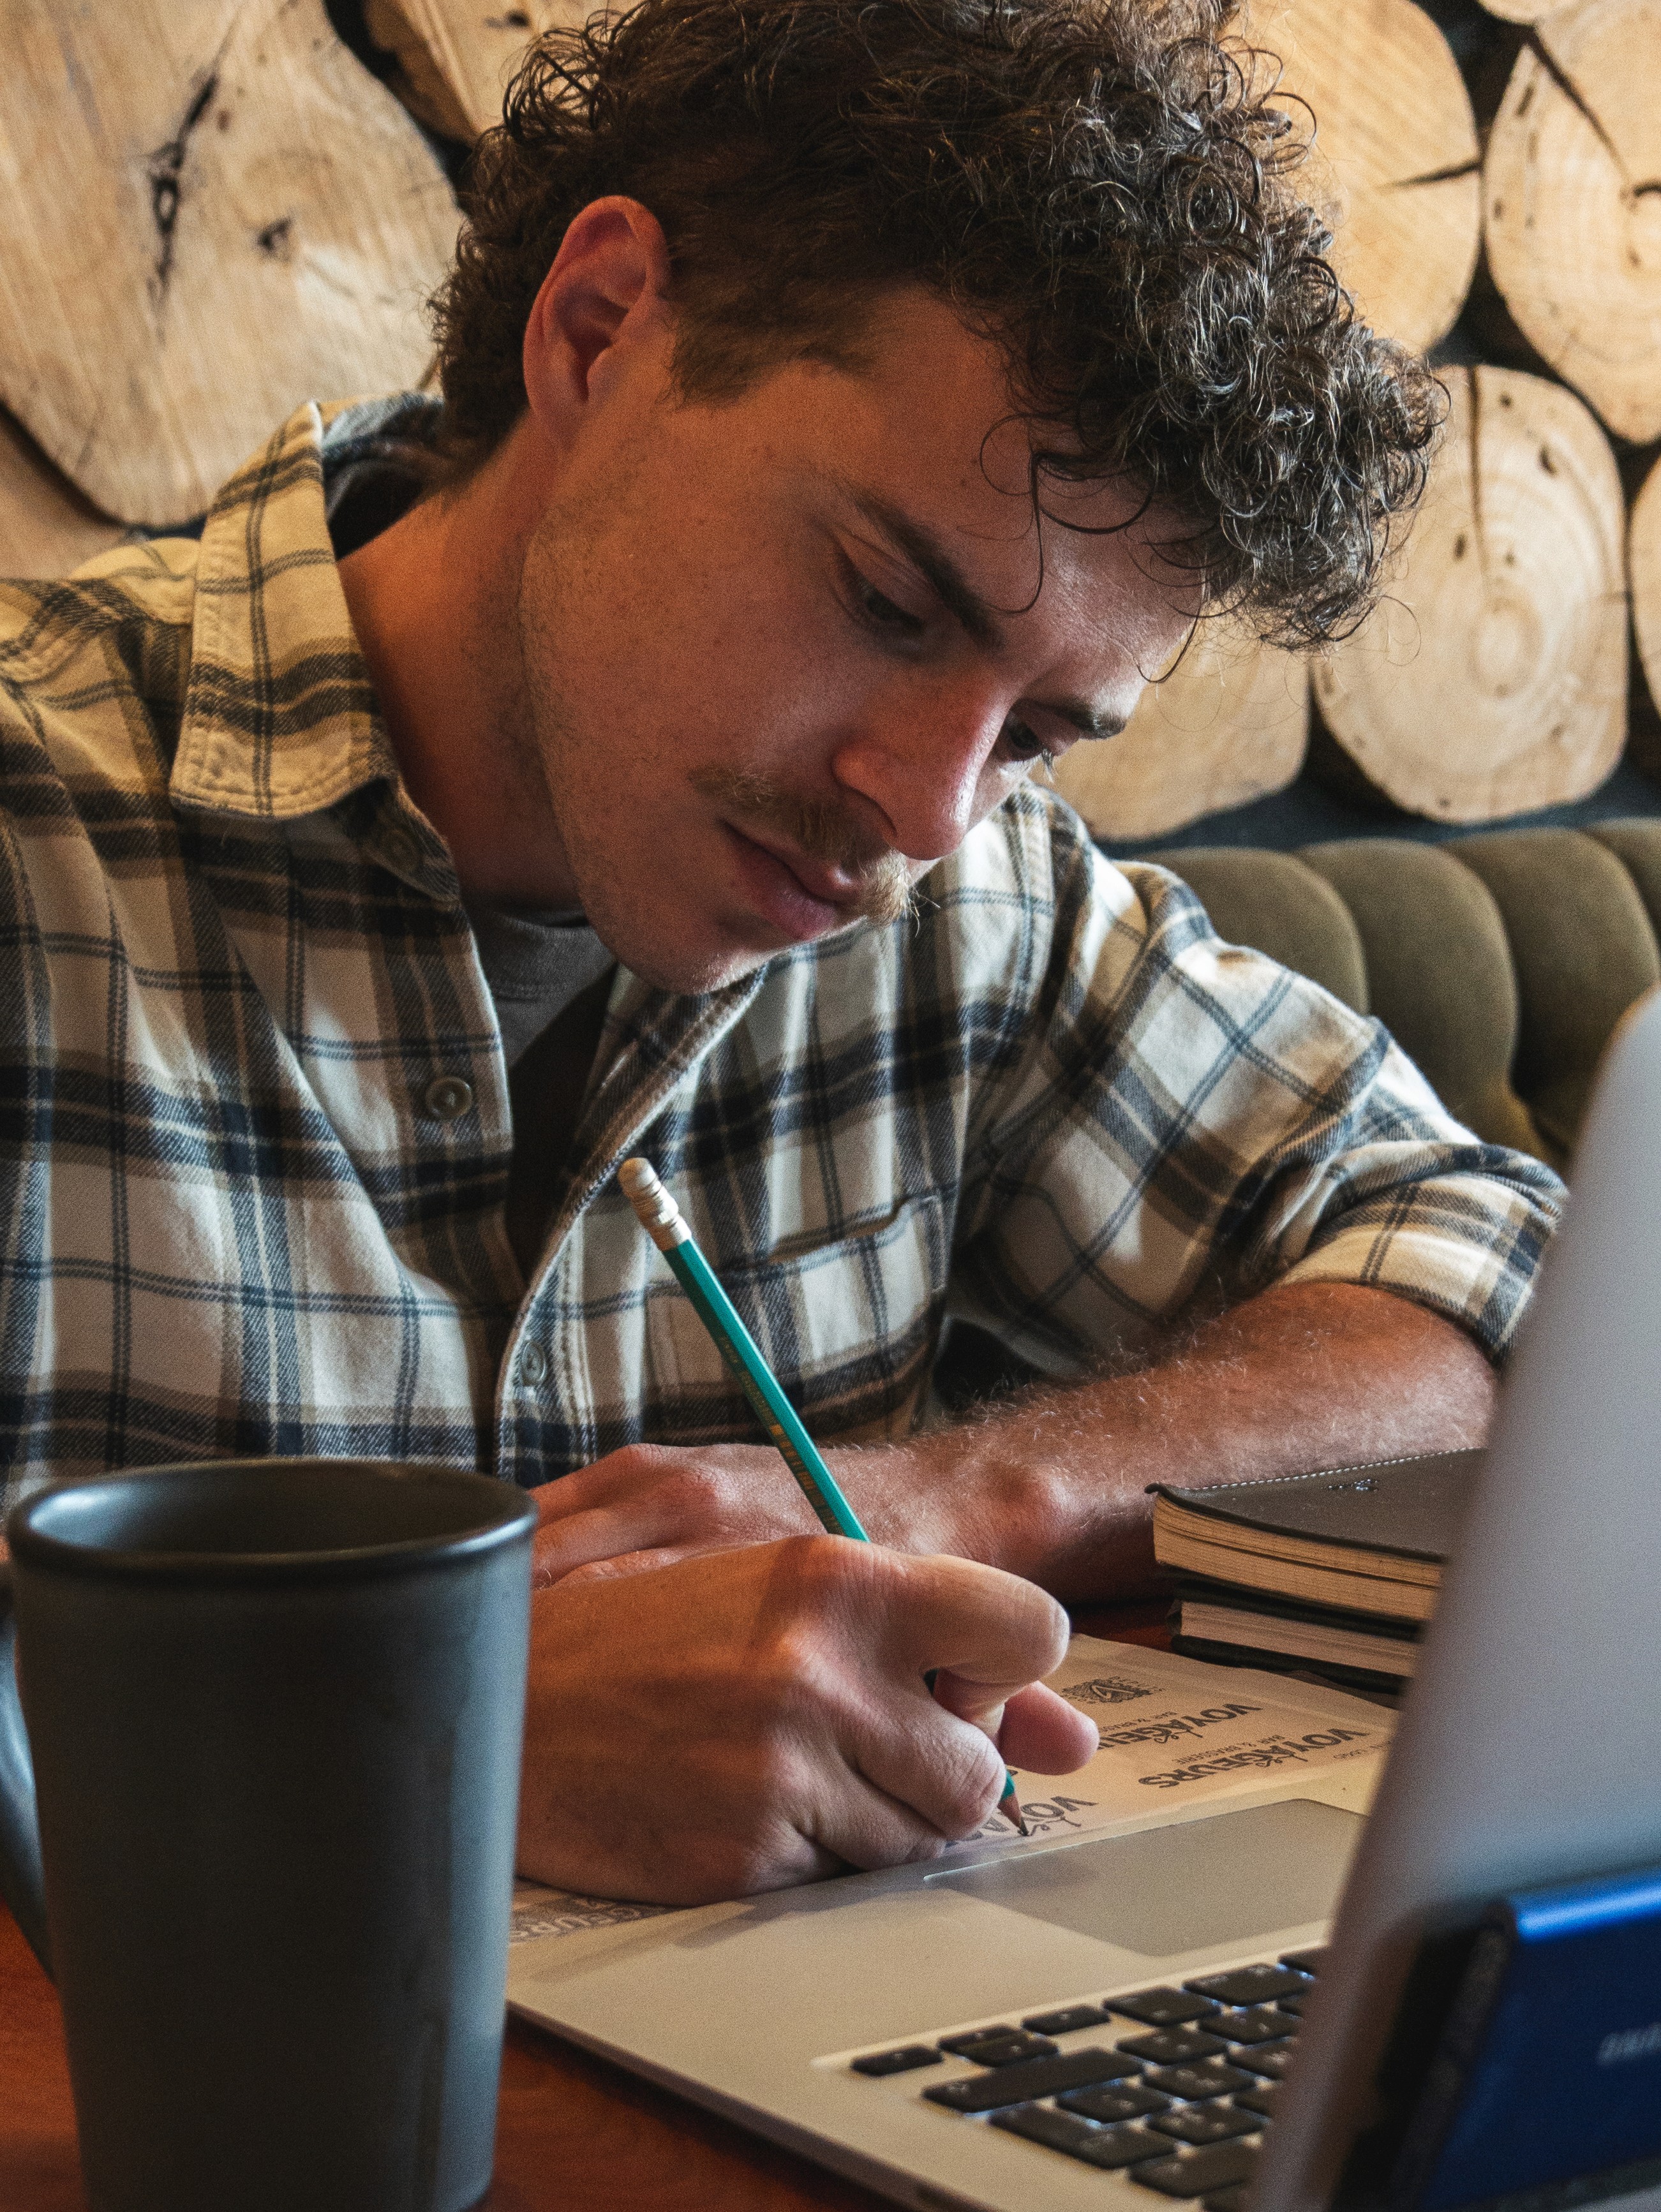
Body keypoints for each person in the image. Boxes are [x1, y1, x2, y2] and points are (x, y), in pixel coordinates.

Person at [0, 0, 1561, 1904]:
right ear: (599, 334)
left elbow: (1492, 1268)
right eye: (887, 600)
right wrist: (416, 1737)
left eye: (1041, 732)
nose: (926, 812)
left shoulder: (973, 903)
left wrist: (961, 1493)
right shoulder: (37, 838)